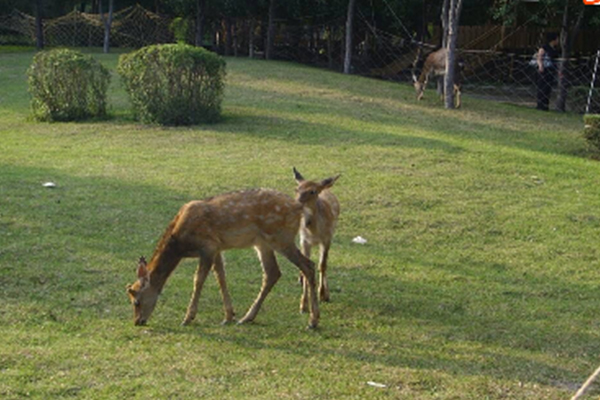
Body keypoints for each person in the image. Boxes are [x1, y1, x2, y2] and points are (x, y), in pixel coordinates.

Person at [535, 32, 560, 111]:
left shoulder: (554, 49)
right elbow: (539, 57)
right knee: (542, 87)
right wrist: (540, 66)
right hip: (544, 69)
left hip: (551, 70)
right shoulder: (544, 47)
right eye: (557, 39)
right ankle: (540, 105)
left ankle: (546, 105)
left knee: (548, 88)